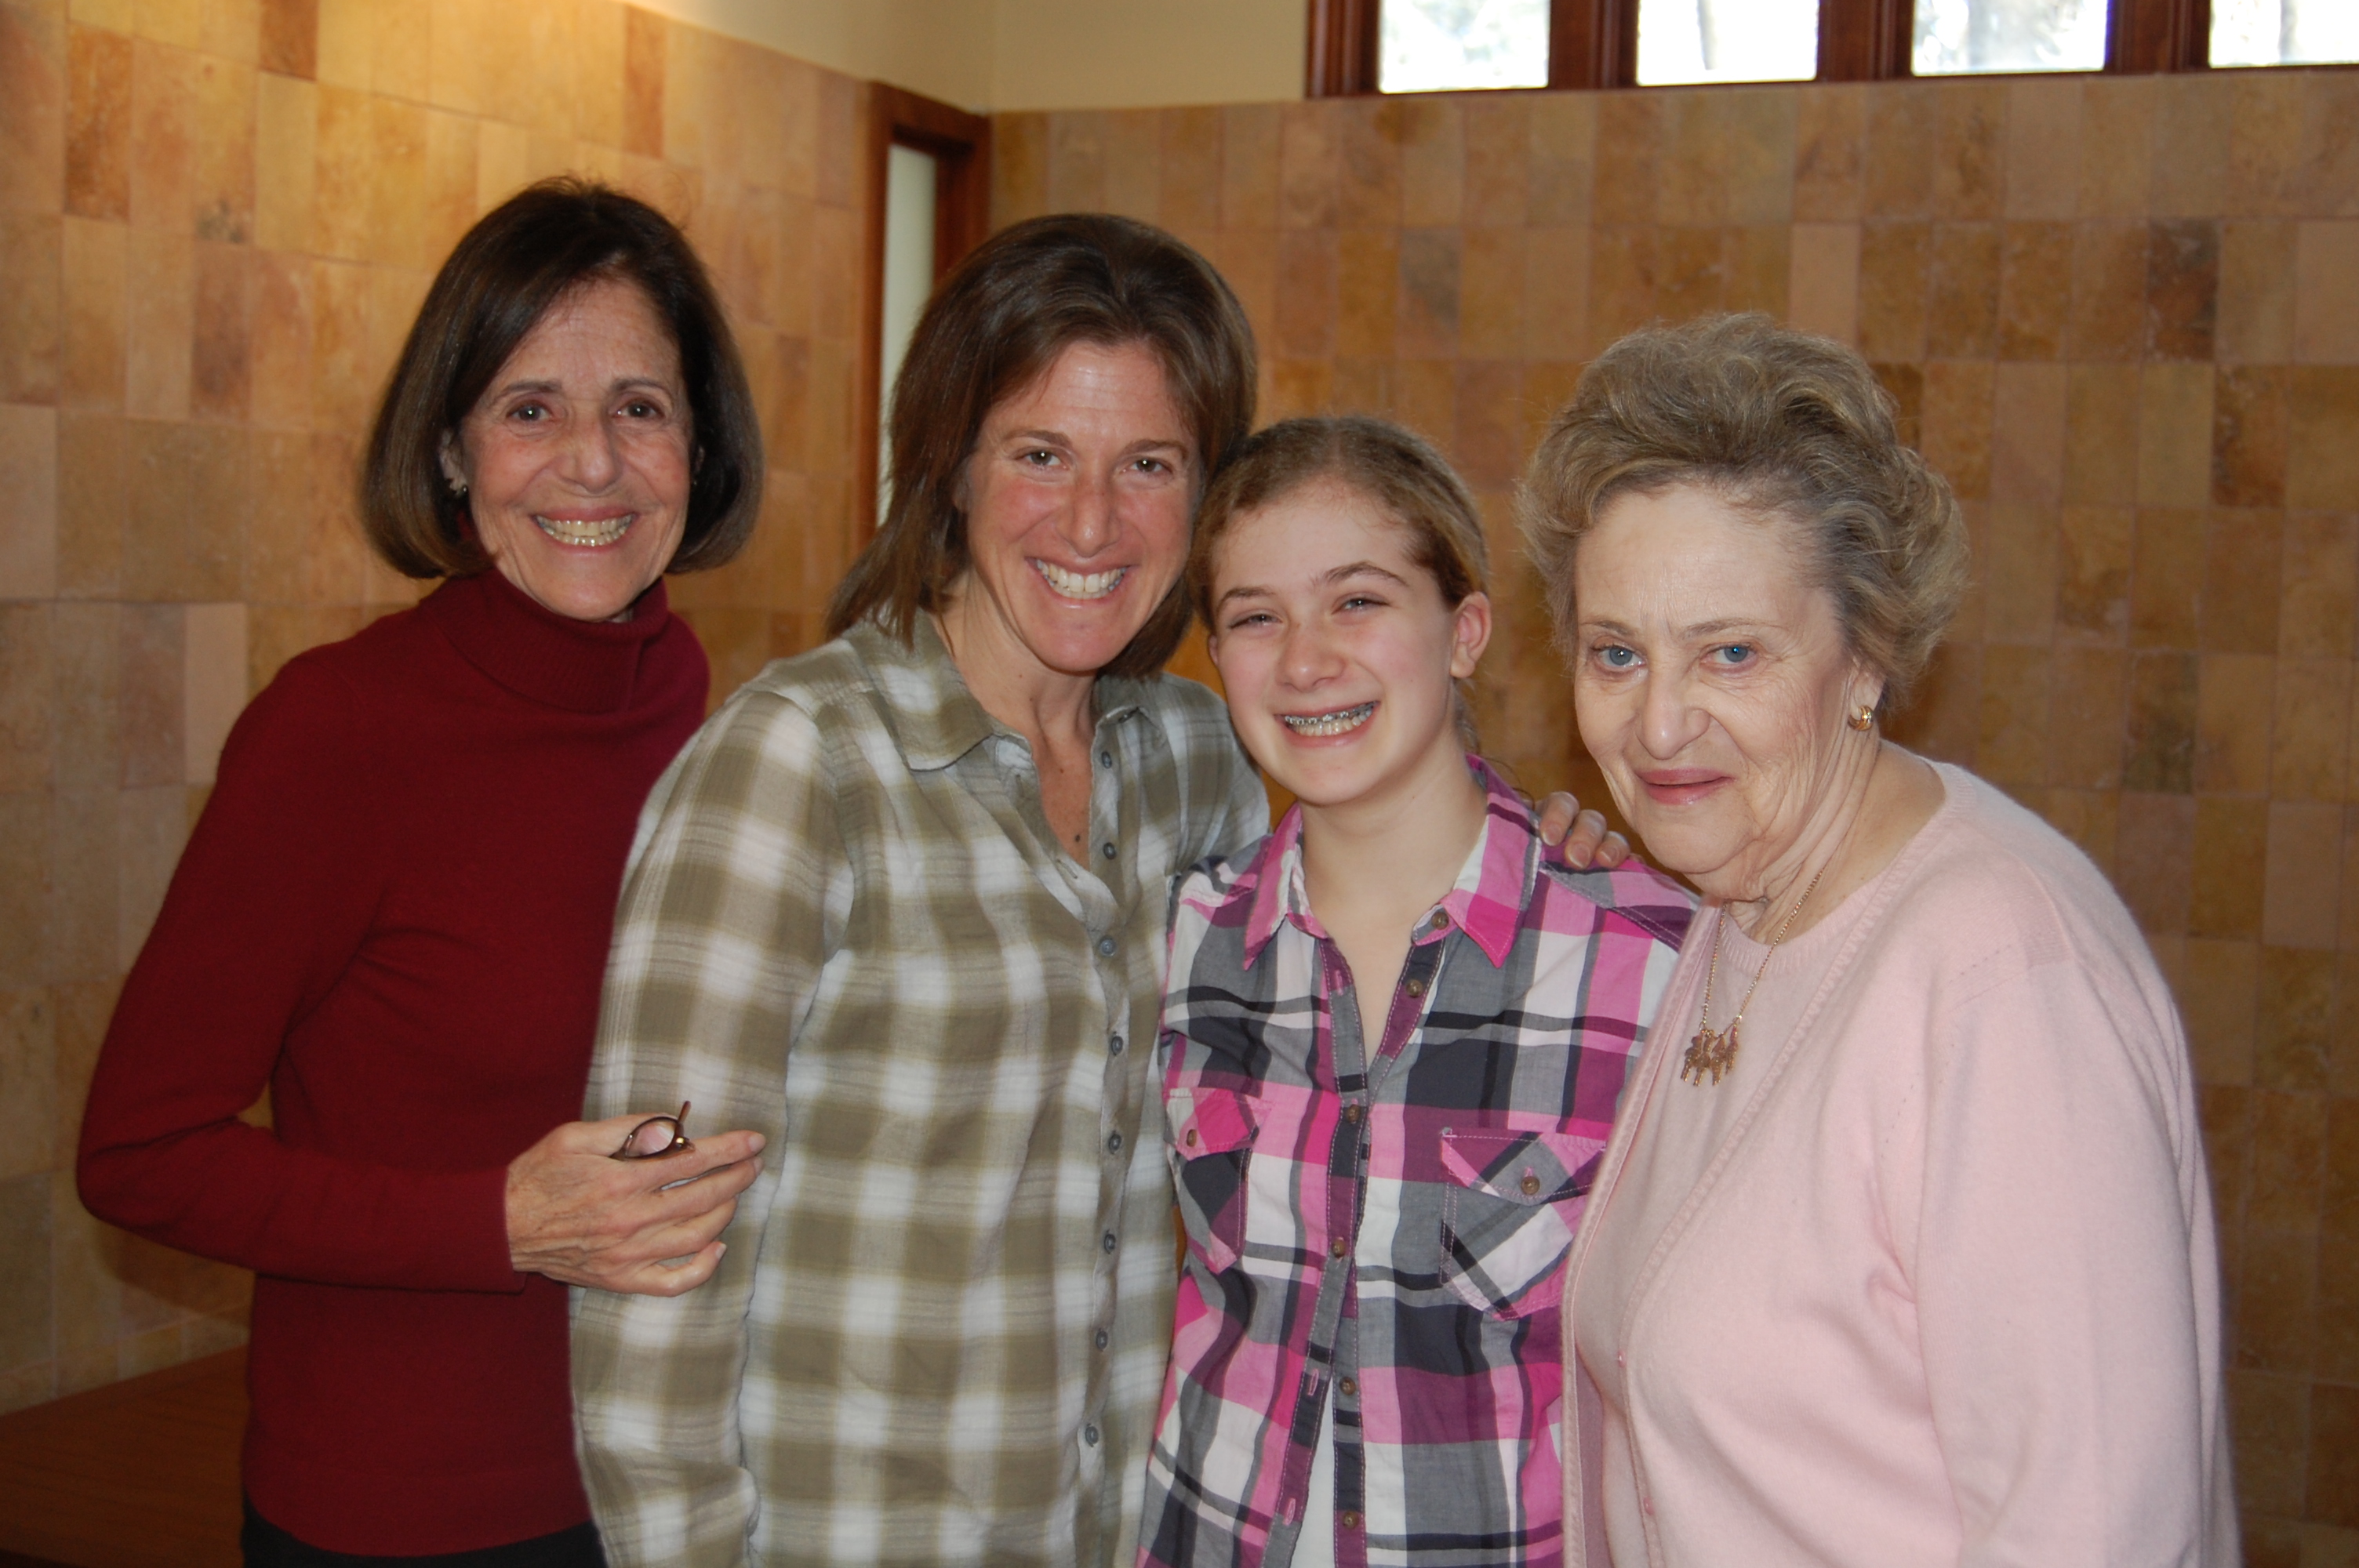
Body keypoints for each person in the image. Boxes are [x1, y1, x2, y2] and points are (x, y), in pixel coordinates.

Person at [570, 216, 1620, 1568]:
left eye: (1148, 466)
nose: (1090, 521)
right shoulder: (795, 768)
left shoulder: (1199, 768)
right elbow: (651, 1265)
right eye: (1039, 454)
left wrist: (1555, 840)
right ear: (950, 470)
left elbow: (1390, 848)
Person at [77, 179, 769, 1566]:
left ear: (698, 446)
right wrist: (497, 1221)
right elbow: (139, 1155)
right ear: (452, 453)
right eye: (530, 409)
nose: (593, 463)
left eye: (640, 407)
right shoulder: (337, 730)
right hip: (407, 1516)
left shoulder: (709, 711)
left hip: (674, 1478)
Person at [1519, 314, 2237, 1567]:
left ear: (1870, 653)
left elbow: (2099, 1533)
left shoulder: (2002, 980)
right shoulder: (1745, 897)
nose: (1660, 724)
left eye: (1731, 652)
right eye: (1615, 654)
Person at [1135, 417, 1692, 1568]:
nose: (1305, 661)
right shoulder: (1183, 945)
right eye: (1255, 617)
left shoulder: (1651, 965)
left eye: (1358, 602)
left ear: (1466, 632)